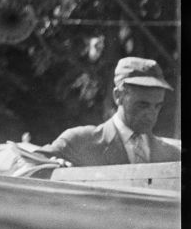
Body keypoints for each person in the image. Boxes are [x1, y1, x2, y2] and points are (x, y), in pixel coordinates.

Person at [35, 57, 181, 167]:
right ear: (118, 96)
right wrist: (52, 167)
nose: (151, 114)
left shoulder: (172, 155)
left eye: (157, 106)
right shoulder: (79, 141)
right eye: (142, 105)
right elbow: (26, 165)